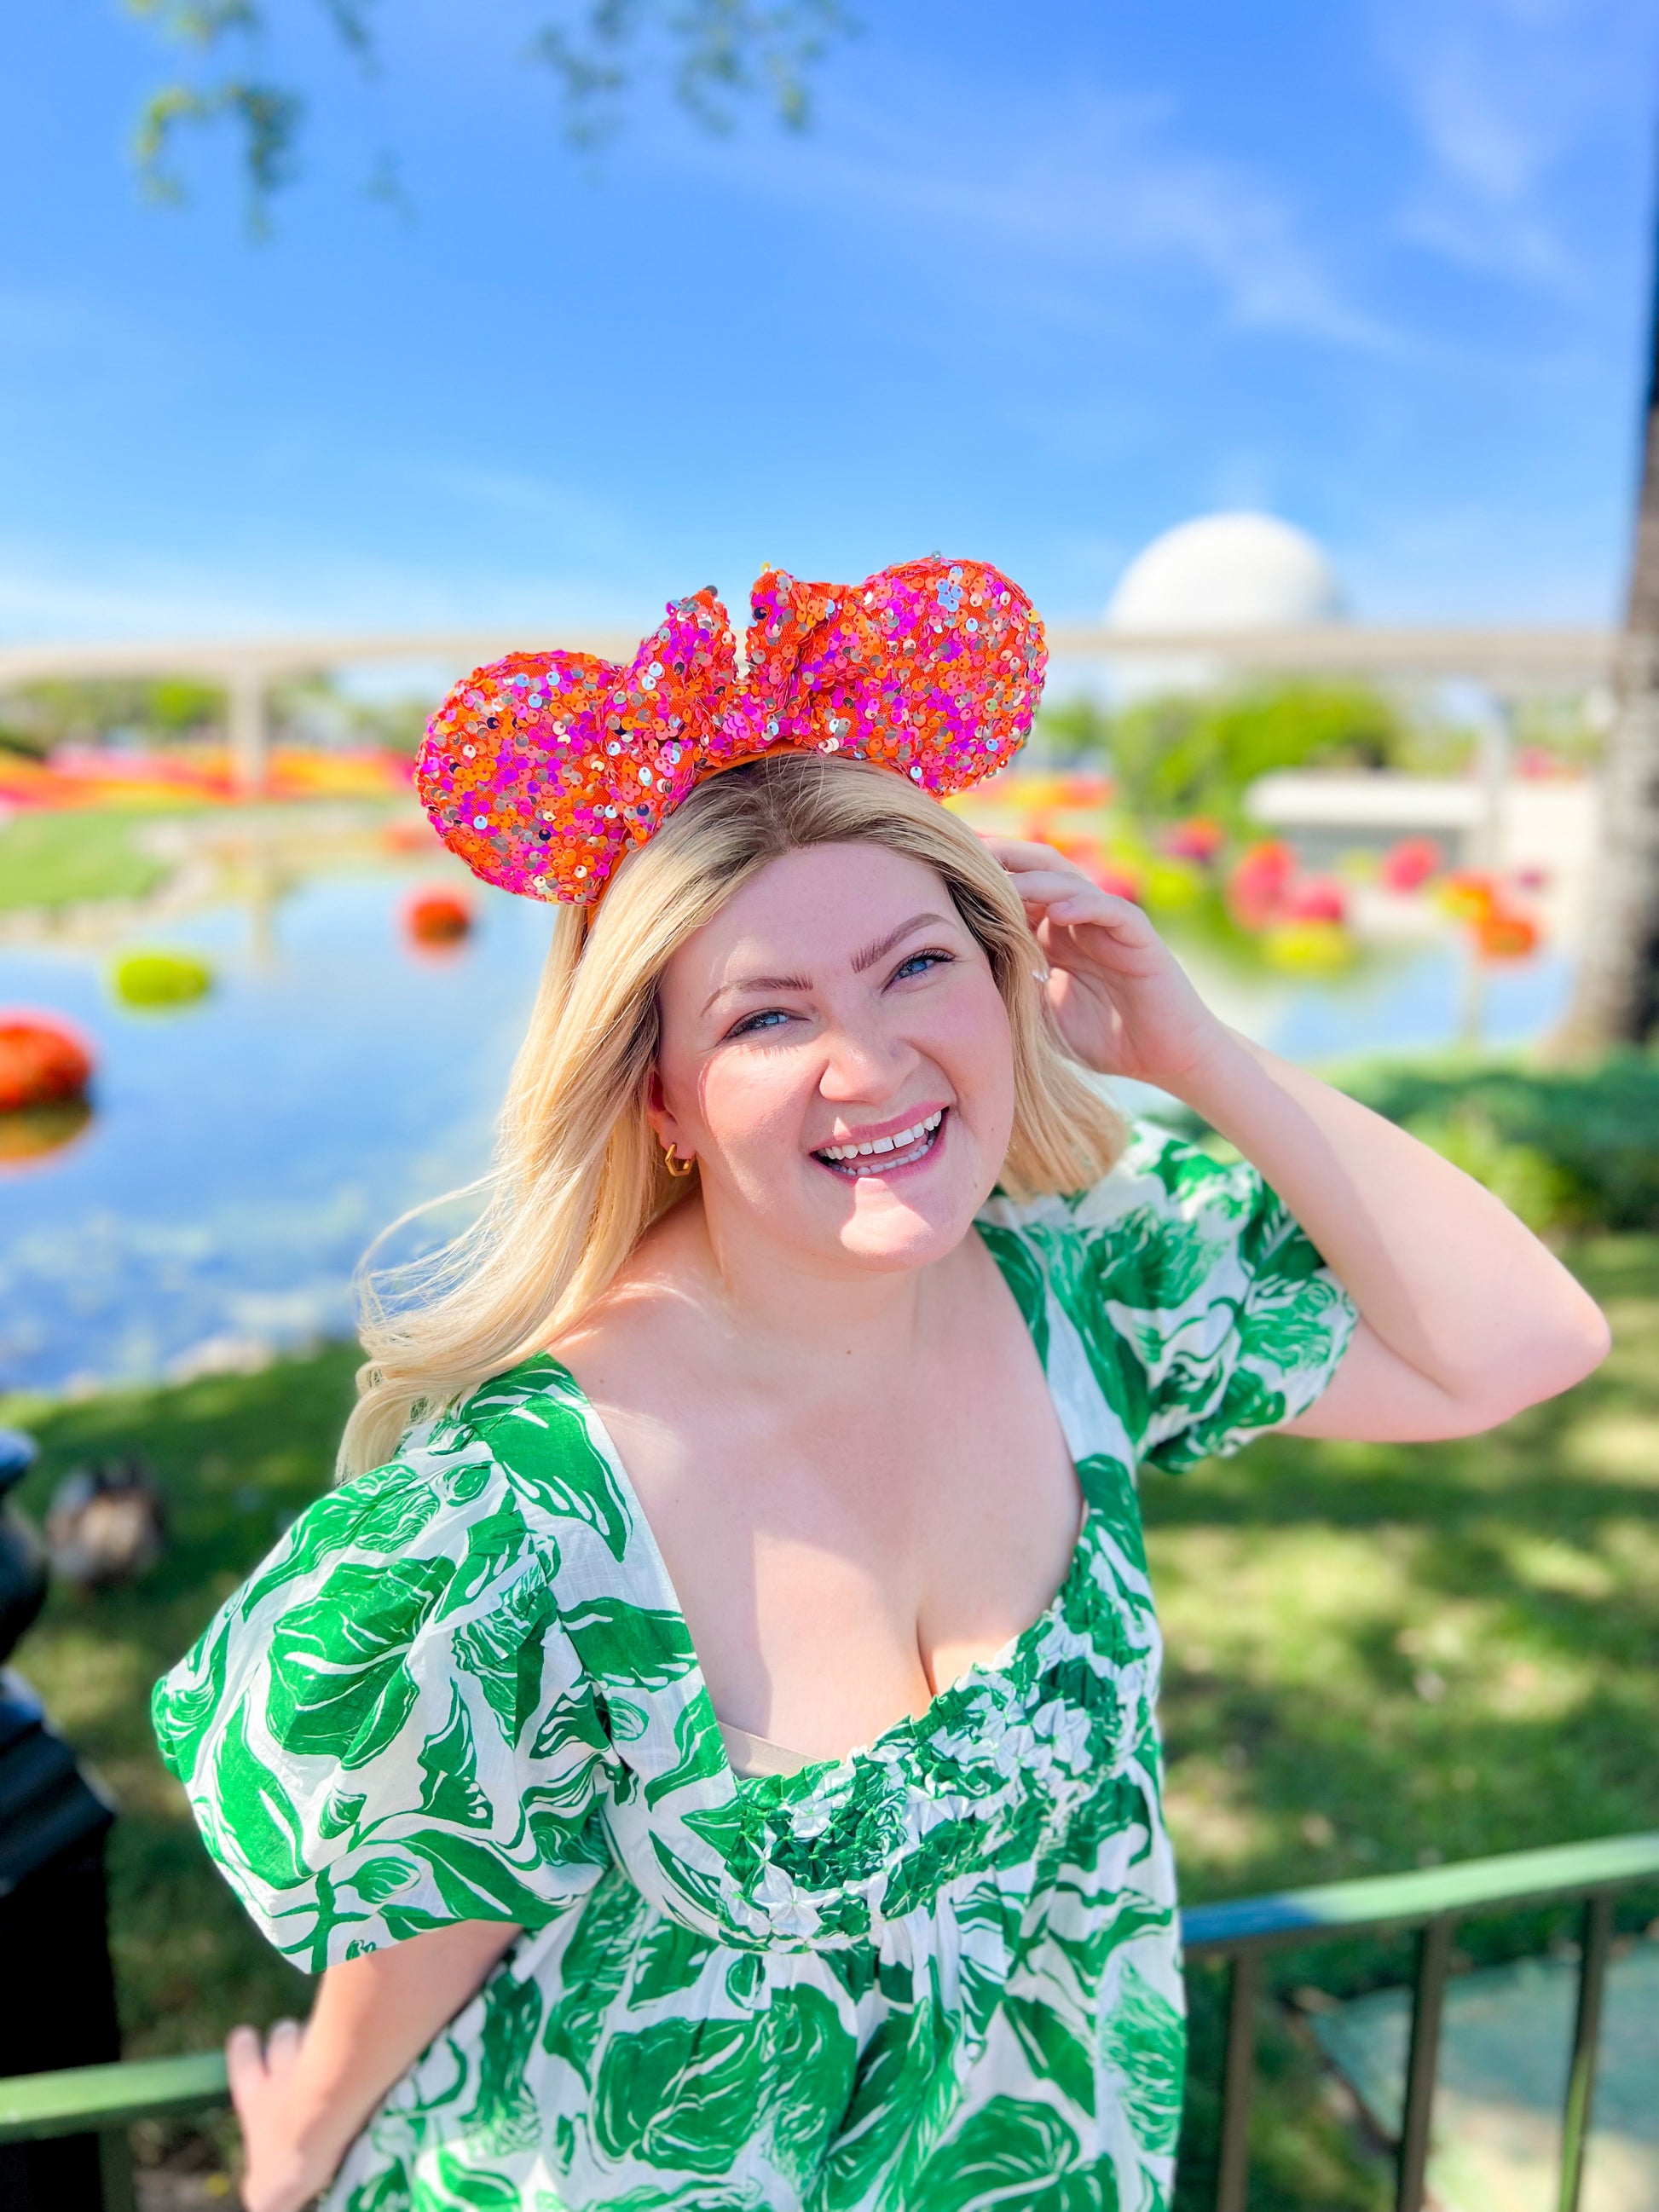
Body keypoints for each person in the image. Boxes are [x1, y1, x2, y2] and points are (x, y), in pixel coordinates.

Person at [153, 559, 1608, 2212]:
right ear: (664, 1101)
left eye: (920, 964)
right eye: (768, 1012)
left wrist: (1199, 1046)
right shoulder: (519, 1516)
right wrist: (298, 2156)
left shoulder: (1081, 1287)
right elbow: (436, 1919)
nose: (872, 1061)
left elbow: (1519, 1343)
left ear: (1008, 974)